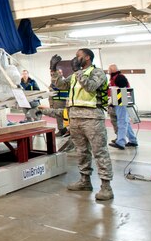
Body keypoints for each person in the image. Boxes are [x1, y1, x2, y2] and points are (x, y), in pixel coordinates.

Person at [50, 49, 114, 201]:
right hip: (75, 118)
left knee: (99, 152)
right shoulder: (74, 75)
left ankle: (106, 187)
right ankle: (85, 181)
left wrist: (78, 71)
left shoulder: (97, 73)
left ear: (87, 57)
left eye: (79, 56)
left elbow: (90, 87)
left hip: (92, 118)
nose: (76, 58)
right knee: (81, 151)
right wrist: (53, 71)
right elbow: (61, 85)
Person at [108, 64, 138, 149]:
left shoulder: (118, 78)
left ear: (111, 70)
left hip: (121, 100)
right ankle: (133, 140)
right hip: (122, 100)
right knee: (125, 122)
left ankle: (121, 142)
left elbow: (121, 90)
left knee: (122, 121)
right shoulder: (118, 77)